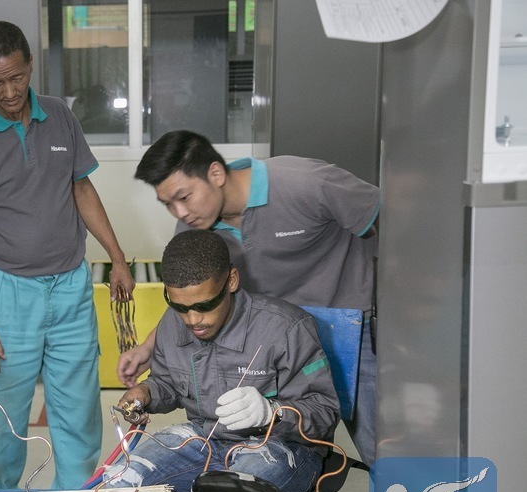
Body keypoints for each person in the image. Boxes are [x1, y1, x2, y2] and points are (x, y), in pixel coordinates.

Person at [0, 21, 134, 490]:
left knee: (79, 412)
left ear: (30, 64)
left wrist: (117, 256)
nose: (9, 92)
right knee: (2, 421)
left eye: (17, 77)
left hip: (70, 287)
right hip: (6, 292)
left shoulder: (59, 115)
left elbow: (81, 189)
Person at [118, 130, 379, 466]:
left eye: (184, 196)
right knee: (287, 444)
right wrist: (147, 348)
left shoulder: (305, 183)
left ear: (216, 173)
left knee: (384, 452)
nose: (179, 212)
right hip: (279, 348)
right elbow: (199, 301)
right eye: (168, 203)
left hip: (352, 334)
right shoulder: (194, 229)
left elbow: (393, 220)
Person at [108, 230, 340, 492]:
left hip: (282, 447)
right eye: (179, 306)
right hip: (204, 442)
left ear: (231, 280)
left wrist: (272, 413)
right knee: (118, 486)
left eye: (205, 305)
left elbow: (325, 412)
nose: (193, 319)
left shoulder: (286, 329)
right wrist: (146, 392)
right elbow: (168, 382)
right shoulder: (172, 324)